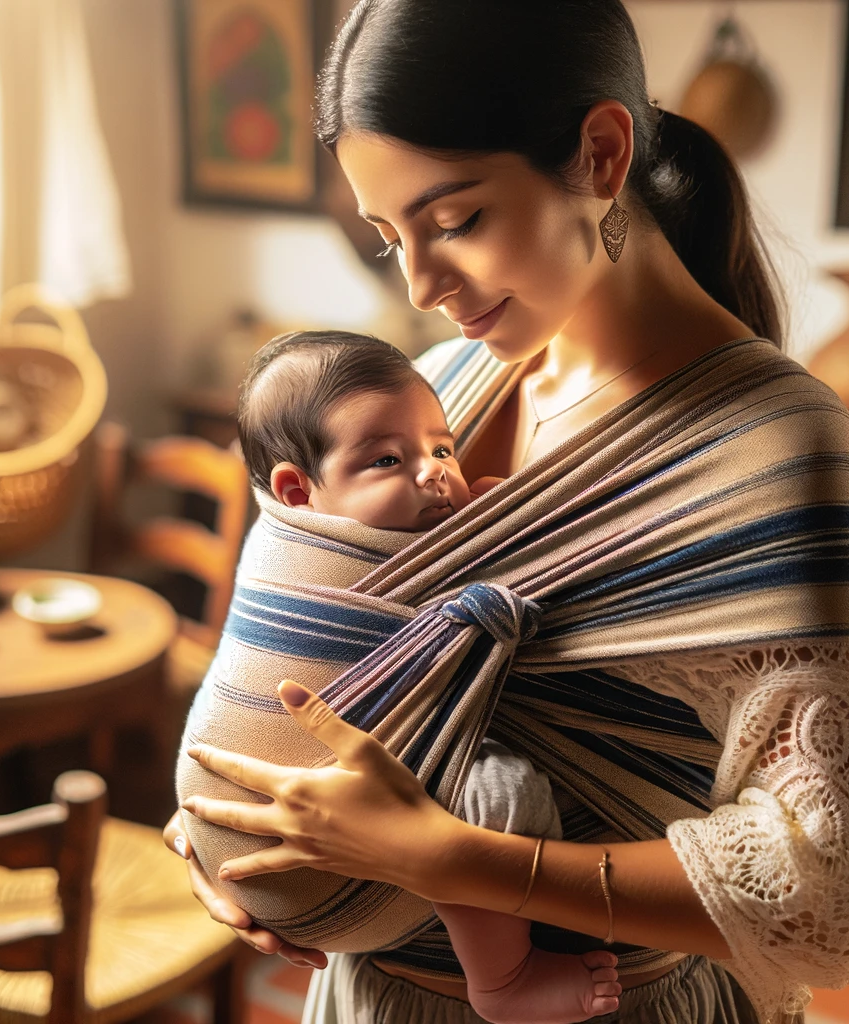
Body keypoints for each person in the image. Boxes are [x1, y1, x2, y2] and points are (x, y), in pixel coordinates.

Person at [165, 2, 849, 1023]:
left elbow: (830, 893)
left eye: (455, 220)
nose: (423, 284)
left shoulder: (774, 445)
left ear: (600, 154)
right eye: (391, 239)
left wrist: (453, 860)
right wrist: (238, 832)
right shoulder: (437, 387)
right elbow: (323, 654)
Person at [224, 328, 621, 1022]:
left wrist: (485, 520)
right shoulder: (328, 558)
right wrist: (496, 544)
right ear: (296, 492)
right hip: (301, 783)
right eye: (387, 459)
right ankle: (502, 977)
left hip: (320, 811)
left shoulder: (391, 524)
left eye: (443, 448)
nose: (436, 471)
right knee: (502, 790)